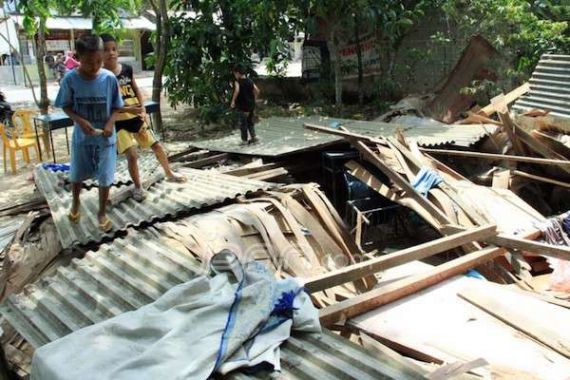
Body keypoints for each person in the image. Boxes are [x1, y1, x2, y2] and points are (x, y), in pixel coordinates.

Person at [101, 34, 186, 202]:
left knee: (157, 146)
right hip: (118, 122)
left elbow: (136, 89)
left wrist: (143, 109)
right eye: (106, 50)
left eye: (113, 49)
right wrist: (128, 109)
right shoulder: (101, 77)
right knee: (132, 156)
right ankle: (138, 187)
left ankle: (169, 173)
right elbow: (106, 105)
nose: (111, 53)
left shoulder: (126, 68)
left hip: (136, 117)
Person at [54, 35, 124, 232]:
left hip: (106, 138)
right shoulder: (70, 79)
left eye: (98, 62)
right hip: (82, 138)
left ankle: (101, 212)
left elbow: (117, 107)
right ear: (78, 57)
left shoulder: (109, 78)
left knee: (105, 177)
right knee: (76, 174)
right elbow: (65, 106)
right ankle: (75, 202)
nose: (94, 67)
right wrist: (81, 121)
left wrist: (110, 123)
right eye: (88, 62)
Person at [230, 63, 260, 145]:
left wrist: (233, 101)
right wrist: (254, 99)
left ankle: (244, 140)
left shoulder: (238, 82)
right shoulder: (250, 81)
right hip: (250, 106)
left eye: (235, 74)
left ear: (237, 73)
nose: (235, 76)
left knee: (243, 124)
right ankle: (254, 137)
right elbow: (257, 90)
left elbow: (237, 91)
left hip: (242, 106)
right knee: (250, 122)